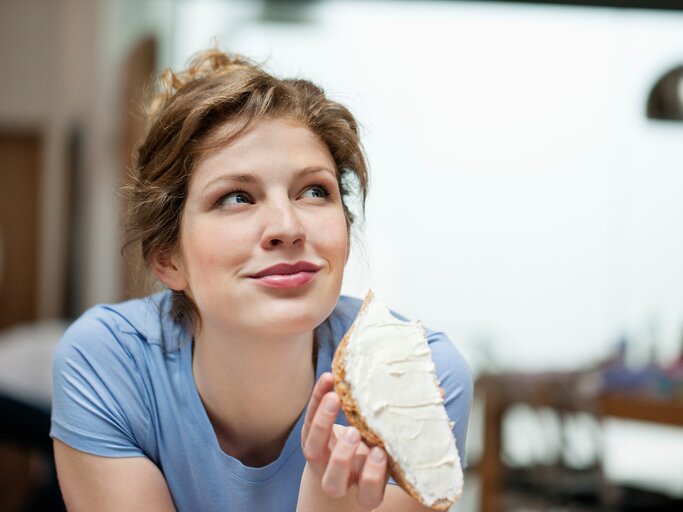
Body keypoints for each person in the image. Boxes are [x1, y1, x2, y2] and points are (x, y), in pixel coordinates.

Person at [50, 48, 473, 512]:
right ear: (168, 259)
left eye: (315, 191)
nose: (288, 227)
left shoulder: (420, 379)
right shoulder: (108, 364)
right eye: (236, 197)